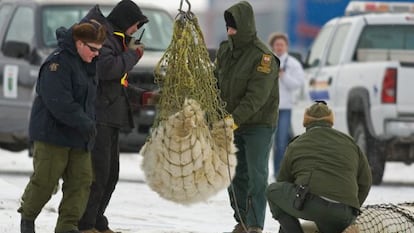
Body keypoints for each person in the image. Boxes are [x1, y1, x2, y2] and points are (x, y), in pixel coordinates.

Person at [18, 20, 106, 233]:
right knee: (45, 182)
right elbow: (59, 101)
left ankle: (67, 226)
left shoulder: (89, 65)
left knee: (81, 182)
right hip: (52, 135)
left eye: (99, 50)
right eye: (93, 49)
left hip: (80, 136)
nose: (96, 54)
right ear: (79, 43)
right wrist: (85, 122)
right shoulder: (57, 64)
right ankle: (28, 218)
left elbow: (90, 99)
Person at [77, 1, 148, 233]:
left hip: (110, 116)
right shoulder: (104, 37)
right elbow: (107, 69)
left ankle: (97, 220)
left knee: (111, 175)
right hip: (99, 116)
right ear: (126, 21)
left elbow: (118, 84)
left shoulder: (116, 39)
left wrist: (144, 97)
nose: (136, 31)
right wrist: (133, 56)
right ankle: (86, 224)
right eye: (135, 25)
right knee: (98, 176)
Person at [214, 2, 280, 233]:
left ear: (244, 27)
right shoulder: (225, 51)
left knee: (257, 175)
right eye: (227, 28)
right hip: (231, 123)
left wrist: (233, 120)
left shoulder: (263, 57)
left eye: (233, 28)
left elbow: (256, 97)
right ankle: (242, 218)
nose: (229, 32)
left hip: (258, 124)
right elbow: (215, 82)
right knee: (234, 174)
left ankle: (254, 224)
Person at [266, 101, 372, 233]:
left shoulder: (297, 144)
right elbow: (366, 182)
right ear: (331, 121)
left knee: (272, 191)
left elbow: (283, 182)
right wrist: (351, 208)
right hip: (345, 214)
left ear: (306, 122)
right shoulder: (350, 143)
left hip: (313, 206)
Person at [268, 32, 305, 179]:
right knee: (271, 142)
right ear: (273, 46)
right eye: (276, 45)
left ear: (286, 46)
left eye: (282, 45)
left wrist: (283, 75)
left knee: (281, 141)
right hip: (270, 108)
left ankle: (279, 172)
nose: (279, 47)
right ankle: (274, 170)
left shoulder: (293, 64)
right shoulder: (267, 61)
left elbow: (297, 84)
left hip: (285, 108)